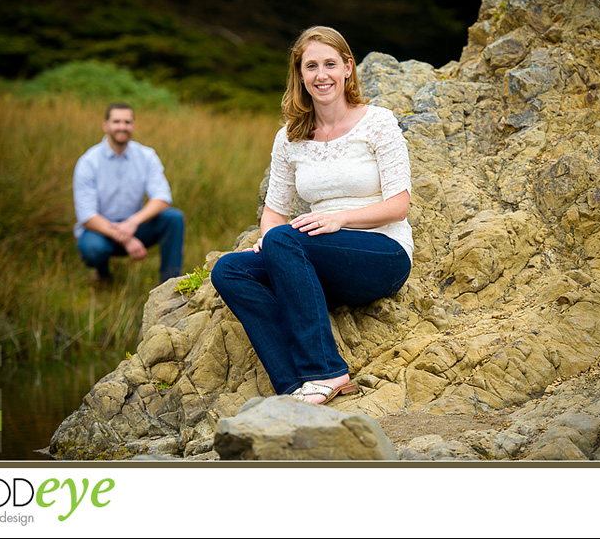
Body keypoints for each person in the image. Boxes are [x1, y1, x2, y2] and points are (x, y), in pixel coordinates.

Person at [211, 26, 413, 405]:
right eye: (312, 66)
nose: (322, 75)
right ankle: (292, 387)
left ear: (348, 68)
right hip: (317, 260)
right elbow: (275, 210)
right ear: (300, 74)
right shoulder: (289, 137)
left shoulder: (378, 122)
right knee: (229, 270)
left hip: (381, 254)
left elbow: (398, 205)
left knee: (284, 238)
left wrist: (340, 219)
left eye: (330, 64)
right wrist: (268, 241)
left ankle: (327, 371)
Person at [73, 102, 185, 284]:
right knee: (93, 249)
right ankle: (102, 274)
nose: (122, 127)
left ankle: (170, 285)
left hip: (136, 224)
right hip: (101, 230)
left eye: (127, 122)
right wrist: (125, 238)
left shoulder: (146, 156)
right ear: (105, 125)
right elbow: (87, 216)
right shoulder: (88, 162)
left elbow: (162, 197)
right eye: (116, 121)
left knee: (174, 218)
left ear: (133, 125)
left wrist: (132, 223)